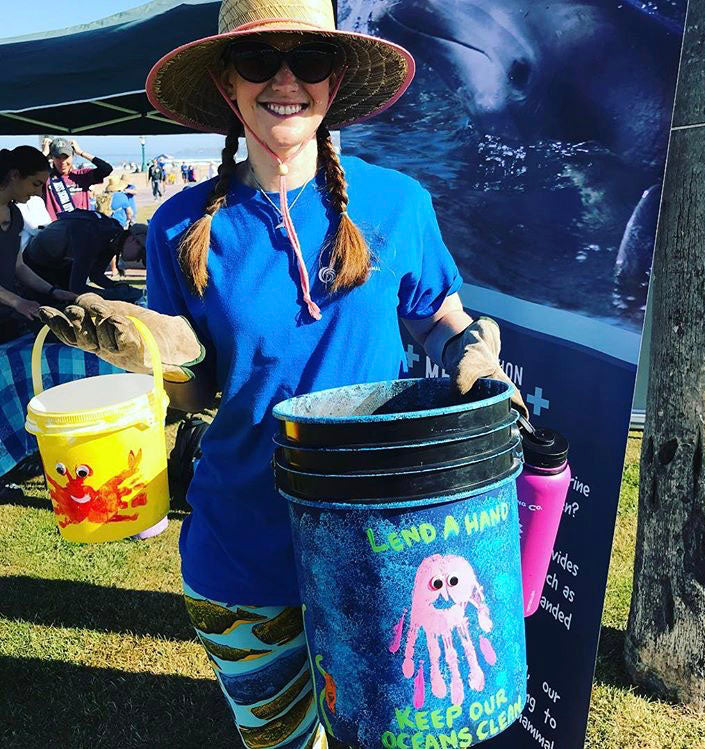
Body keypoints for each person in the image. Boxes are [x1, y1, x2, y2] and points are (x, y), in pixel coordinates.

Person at [39, 1, 528, 746]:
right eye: (260, 61)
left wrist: (477, 358)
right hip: (240, 553)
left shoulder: (398, 202)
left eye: (309, 60)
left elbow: (441, 315)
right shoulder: (179, 223)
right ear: (228, 85)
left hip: (382, 545)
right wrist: (161, 353)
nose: (286, 81)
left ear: (335, 84)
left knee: (385, 731)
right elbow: (198, 393)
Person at [0, 146, 76, 343]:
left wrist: (52, 291)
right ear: (15, 175)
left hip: (6, 320)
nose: (39, 193)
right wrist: (17, 302)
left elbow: (18, 266)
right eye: (35, 184)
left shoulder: (16, 215)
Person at [24, 210, 146, 301]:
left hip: (57, 262)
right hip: (35, 264)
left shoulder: (114, 237)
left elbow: (96, 275)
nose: (137, 260)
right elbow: (77, 288)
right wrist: (114, 295)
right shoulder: (94, 235)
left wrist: (120, 288)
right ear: (133, 240)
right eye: (140, 254)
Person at [41, 137, 113, 220]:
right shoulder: (46, 178)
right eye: (58, 157)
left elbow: (106, 169)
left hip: (81, 228)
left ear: (72, 156)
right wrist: (44, 153)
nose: (63, 162)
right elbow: (25, 173)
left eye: (66, 157)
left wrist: (81, 152)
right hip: (57, 230)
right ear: (52, 158)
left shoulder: (82, 175)